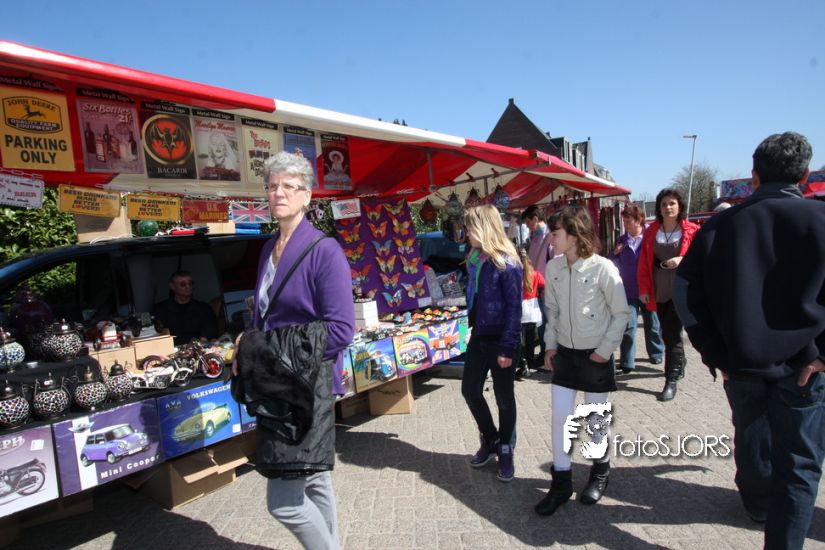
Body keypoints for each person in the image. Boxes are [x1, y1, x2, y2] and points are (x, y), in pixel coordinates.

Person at [674, 132, 825, 550]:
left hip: (742, 362)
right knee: (799, 465)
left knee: (750, 434)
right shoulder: (820, 220)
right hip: (803, 366)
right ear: (805, 175)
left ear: (754, 176)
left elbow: (686, 291)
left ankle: (758, 503)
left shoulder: (722, 226)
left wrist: (714, 349)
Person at [233, 151, 355, 550]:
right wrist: (248, 346)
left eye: (289, 186)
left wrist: (262, 350)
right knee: (315, 478)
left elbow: (341, 330)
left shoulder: (325, 251)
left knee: (284, 503)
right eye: (272, 186)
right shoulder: (268, 249)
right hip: (277, 383)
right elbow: (264, 317)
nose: (279, 193)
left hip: (305, 387)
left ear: (307, 196)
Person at [534, 205, 628, 516]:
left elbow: (621, 314)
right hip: (564, 354)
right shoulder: (553, 267)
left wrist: (604, 350)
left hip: (595, 355)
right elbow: (552, 312)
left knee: (595, 419)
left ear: (574, 235)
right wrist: (549, 346)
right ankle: (561, 482)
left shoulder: (603, 268)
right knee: (560, 418)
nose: (550, 239)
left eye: (555, 234)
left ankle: (600, 472)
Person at [461, 204, 522, 483]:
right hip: (480, 336)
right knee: (470, 390)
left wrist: (508, 347)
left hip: (502, 339)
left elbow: (514, 308)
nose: (466, 233)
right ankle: (491, 438)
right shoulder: (475, 259)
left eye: (470, 228)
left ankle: (506, 448)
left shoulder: (506, 262)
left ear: (484, 228)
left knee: (504, 398)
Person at [637, 188, 699, 401]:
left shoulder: (692, 230)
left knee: (683, 334)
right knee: (670, 335)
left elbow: (702, 258)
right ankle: (673, 373)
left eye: (672, 203)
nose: (668, 207)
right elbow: (643, 263)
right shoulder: (651, 232)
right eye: (664, 204)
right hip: (661, 288)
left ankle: (675, 370)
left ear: (679, 206)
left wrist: (683, 259)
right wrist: (644, 290)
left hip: (685, 289)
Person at [608, 204, 664, 374]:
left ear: (639, 220)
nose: (625, 224)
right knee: (628, 326)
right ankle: (627, 361)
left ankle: (656, 352)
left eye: (628, 221)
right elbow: (611, 263)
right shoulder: (622, 240)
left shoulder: (651, 236)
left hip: (648, 288)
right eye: (624, 221)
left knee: (652, 324)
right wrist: (614, 253)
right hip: (628, 290)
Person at [521, 205, 555, 365]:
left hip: (546, 288)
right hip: (536, 287)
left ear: (535, 219)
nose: (527, 226)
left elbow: (555, 262)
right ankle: (543, 353)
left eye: (528, 222)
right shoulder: (534, 237)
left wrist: (549, 286)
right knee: (540, 322)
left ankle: (547, 354)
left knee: (547, 323)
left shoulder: (550, 237)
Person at [152, 271, 219, 345]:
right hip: (171, 349)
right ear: (172, 286)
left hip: (198, 348)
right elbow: (156, 333)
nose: (188, 287)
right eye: (183, 284)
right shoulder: (160, 309)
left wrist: (202, 342)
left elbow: (211, 329)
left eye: (190, 283)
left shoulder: (204, 308)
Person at [516, 248, 544, 380]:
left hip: (520, 309)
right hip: (532, 309)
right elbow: (543, 285)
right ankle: (530, 361)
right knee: (531, 339)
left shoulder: (515, 274)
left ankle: (523, 364)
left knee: (520, 340)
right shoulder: (536, 274)